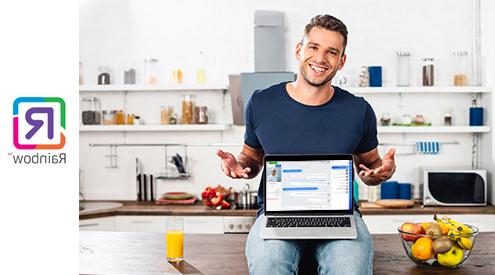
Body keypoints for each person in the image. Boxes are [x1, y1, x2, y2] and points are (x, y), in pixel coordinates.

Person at [216, 14, 396, 275]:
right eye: (313, 47)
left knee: (350, 267)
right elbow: (252, 159)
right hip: (277, 215)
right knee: (269, 263)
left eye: (332, 52)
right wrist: (240, 166)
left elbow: (370, 168)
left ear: (341, 61)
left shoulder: (359, 110)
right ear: (299, 50)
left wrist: (381, 172)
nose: (321, 58)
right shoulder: (261, 103)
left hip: (340, 216)